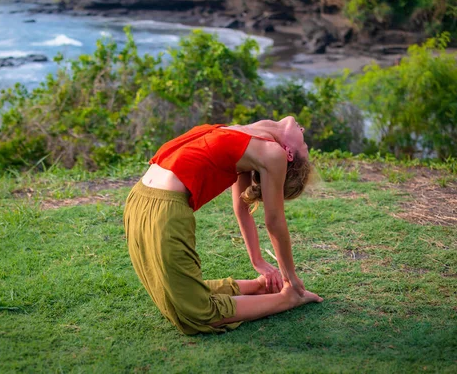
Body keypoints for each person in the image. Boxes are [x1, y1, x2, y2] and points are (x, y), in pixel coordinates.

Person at [123, 116, 323, 335]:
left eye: (304, 145)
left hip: (154, 207)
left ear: (289, 153)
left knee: (197, 312)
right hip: (144, 201)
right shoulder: (248, 136)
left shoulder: (272, 153)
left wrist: (290, 278)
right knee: (183, 305)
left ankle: (286, 298)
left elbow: (274, 222)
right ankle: (262, 288)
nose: (303, 130)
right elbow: (242, 209)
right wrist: (257, 260)